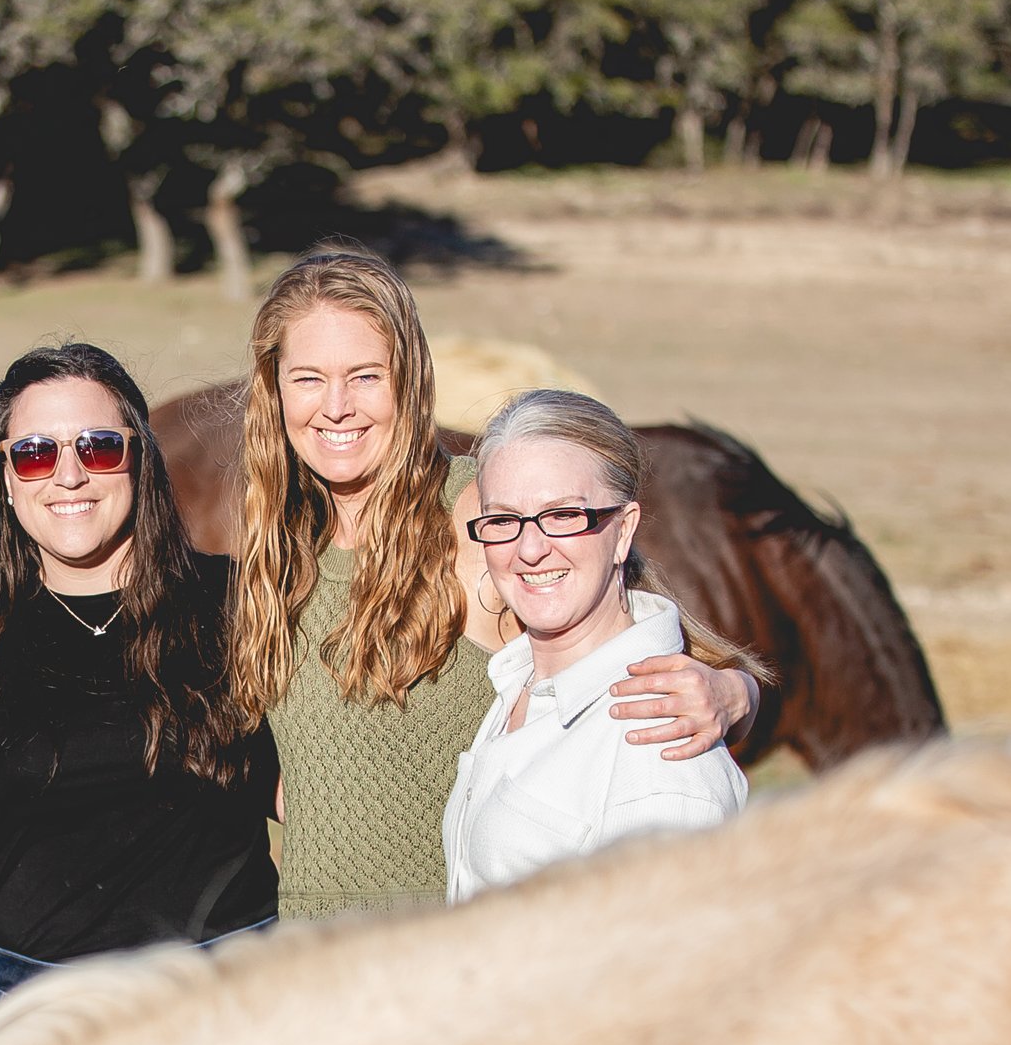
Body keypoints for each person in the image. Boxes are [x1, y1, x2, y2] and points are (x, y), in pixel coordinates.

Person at [224, 244, 761, 920]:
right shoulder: (282, 544)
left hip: (452, 956)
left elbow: (655, 646)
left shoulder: (480, 514)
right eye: (308, 379)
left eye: (365, 376)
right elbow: (311, 764)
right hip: (317, 965)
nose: (336, 407)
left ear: (410, 382)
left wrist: (733, 693)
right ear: (273, 389)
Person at [0, 343, 276, 1015]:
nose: (69, 475)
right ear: (6, 476)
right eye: (37, 453)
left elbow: (316, 797)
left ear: (140, 456)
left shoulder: (236, 603)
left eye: (99, 447)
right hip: (35, 1008)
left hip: (228, 999)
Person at [443, 390, 749, 902]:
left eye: (564, 515)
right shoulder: (517, 684)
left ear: (623, 531)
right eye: (502, 521)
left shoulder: (658, 754)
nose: (531, 549)